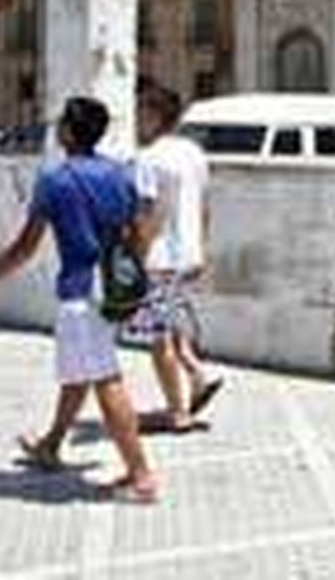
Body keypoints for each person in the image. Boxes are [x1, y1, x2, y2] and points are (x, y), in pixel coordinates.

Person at [0, 96, 160, 504]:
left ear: (70, 132)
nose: (56, 128)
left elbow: (26, 246)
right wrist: (130, 275)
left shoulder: (55, 180)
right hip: (111, 290)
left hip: (80, 293)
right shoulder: (118, 176)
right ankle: (51, 445)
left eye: (61, 123)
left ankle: (140, 475)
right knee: (80, 372)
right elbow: (140, 233)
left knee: (105, 380)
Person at [128, 83, 222, 432]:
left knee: (158, 338)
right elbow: (205, 207)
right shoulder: (193, 154)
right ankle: (198, 376)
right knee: (170, 322)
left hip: (158, 259)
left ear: (153, 116)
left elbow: (146, 214)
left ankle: (177, 411)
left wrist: (135, 258)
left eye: (140, 112)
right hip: (188, 256)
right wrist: (201, 250)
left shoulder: (147, 159)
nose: (136, 120)